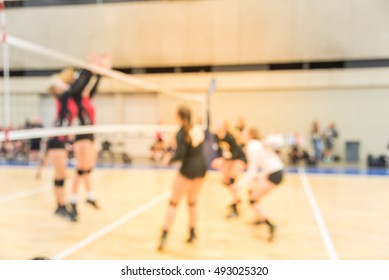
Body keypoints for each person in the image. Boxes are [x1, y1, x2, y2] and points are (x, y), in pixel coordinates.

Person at [158, 105, 207, 251]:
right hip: (202, 169)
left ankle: (164, 236)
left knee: (173, 203)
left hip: (188, 169)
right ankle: (192, 232)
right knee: (192, 201)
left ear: (178, 116)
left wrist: (168, 160)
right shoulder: (196, 128)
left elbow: (180, 154)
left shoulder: (181, 132)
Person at [69, 55, 110, 219]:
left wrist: (100, 71)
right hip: (81, 136)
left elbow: (94, 86)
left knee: (87, 169)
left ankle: (90, 196)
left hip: (91, 136)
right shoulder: (77, 98)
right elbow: (83, 85)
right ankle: (73, 201)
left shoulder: (87, 99)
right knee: (80, 169)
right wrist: (90, 68)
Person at [47, 67, 85, 222]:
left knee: (62, 175)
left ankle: (60, 206)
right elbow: (56, 82)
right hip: (56, 140)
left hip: (62, 140)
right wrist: (78, 75)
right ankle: (61, 206)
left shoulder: (69, 100)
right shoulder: (62, 97)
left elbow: (77, 90)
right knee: (60, 175)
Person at [232, 127, 284, 241]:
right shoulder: (256, 144)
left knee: (252, 199)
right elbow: (266, 162)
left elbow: (252, 171)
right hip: (274, 171)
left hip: (274, 174)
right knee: (252, 192)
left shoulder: (252, 146)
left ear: (250, 135)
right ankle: (259, 218)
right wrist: (261, 176)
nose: (242, 135)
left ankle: (270, 225)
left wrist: (239, 185)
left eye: (244, 133)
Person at [211, 120, 246, 218]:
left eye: (220, 126)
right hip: (230, 160)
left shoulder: (230, 137)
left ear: (225, 128)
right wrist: (220, 160)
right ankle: (237, 199)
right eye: (217, 126)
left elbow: (235, 153)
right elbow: (219, 151)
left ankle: (235, 208)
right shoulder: (217, 137)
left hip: (239, 159)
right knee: (225, 181)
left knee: (231, 180)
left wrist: (223, 160)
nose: (217, 128)